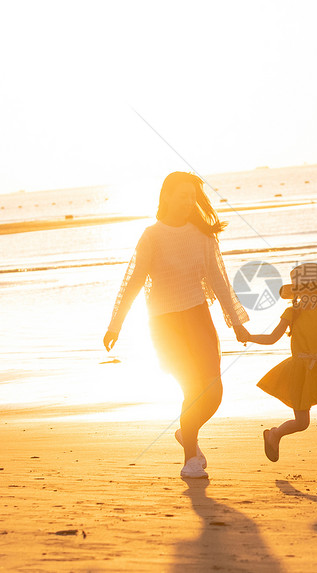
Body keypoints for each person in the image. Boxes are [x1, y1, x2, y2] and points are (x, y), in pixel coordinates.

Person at [103, 171, 250, 479]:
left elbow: (218, 281)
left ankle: (188, 431)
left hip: (198, 316)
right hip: (164, 323)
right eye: (182, 195)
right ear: (166, 196)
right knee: (191, 388)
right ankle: (190, 461)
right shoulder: (152, 235)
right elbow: (134, 282)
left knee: (213, 390)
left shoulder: (202, 234)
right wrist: (115, 325)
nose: (188, 202)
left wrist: (237, 323)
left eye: (192, 197)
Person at [239, 263, 317, 477]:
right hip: (300, 371)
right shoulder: (292, 312)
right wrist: (249, 337)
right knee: (302, 422)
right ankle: (274, 435)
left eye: (316, 288)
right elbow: (273, 338)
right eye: (305, 289)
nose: (311, 293)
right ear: (297, 293)